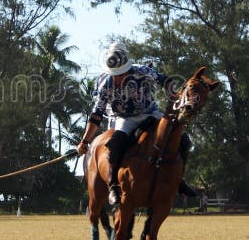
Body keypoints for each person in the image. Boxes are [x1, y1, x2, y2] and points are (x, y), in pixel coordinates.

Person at [76, 42, 195, 206]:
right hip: (125, 118)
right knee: (114, 146)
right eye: (115, 74)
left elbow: (164, 80)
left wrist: (172, 94)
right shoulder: (105, 84)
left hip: (151, 113)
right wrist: (85, 141)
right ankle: (113, 188)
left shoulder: (142, 71)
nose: (119, 77)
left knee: (183, 139)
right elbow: (97, 114)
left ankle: (179, 180)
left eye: (122, 73)